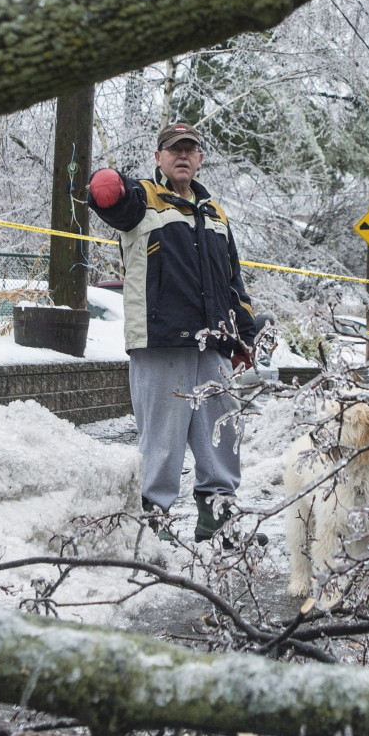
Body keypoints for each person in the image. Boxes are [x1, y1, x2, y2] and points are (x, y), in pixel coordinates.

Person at [87, 122, 261, 544]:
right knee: (163, 441)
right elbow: (112, 201)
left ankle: (218, 516)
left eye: (190, 149)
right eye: (173, 150)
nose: (182, 156)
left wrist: (244, 333)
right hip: (160, 338)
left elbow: (232, 278)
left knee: (222, 434)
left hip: (214, 341)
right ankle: (155, 524)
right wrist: (103, 185)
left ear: (200, 159)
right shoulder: (142, 198)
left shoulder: (214, 212)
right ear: (158, 157)